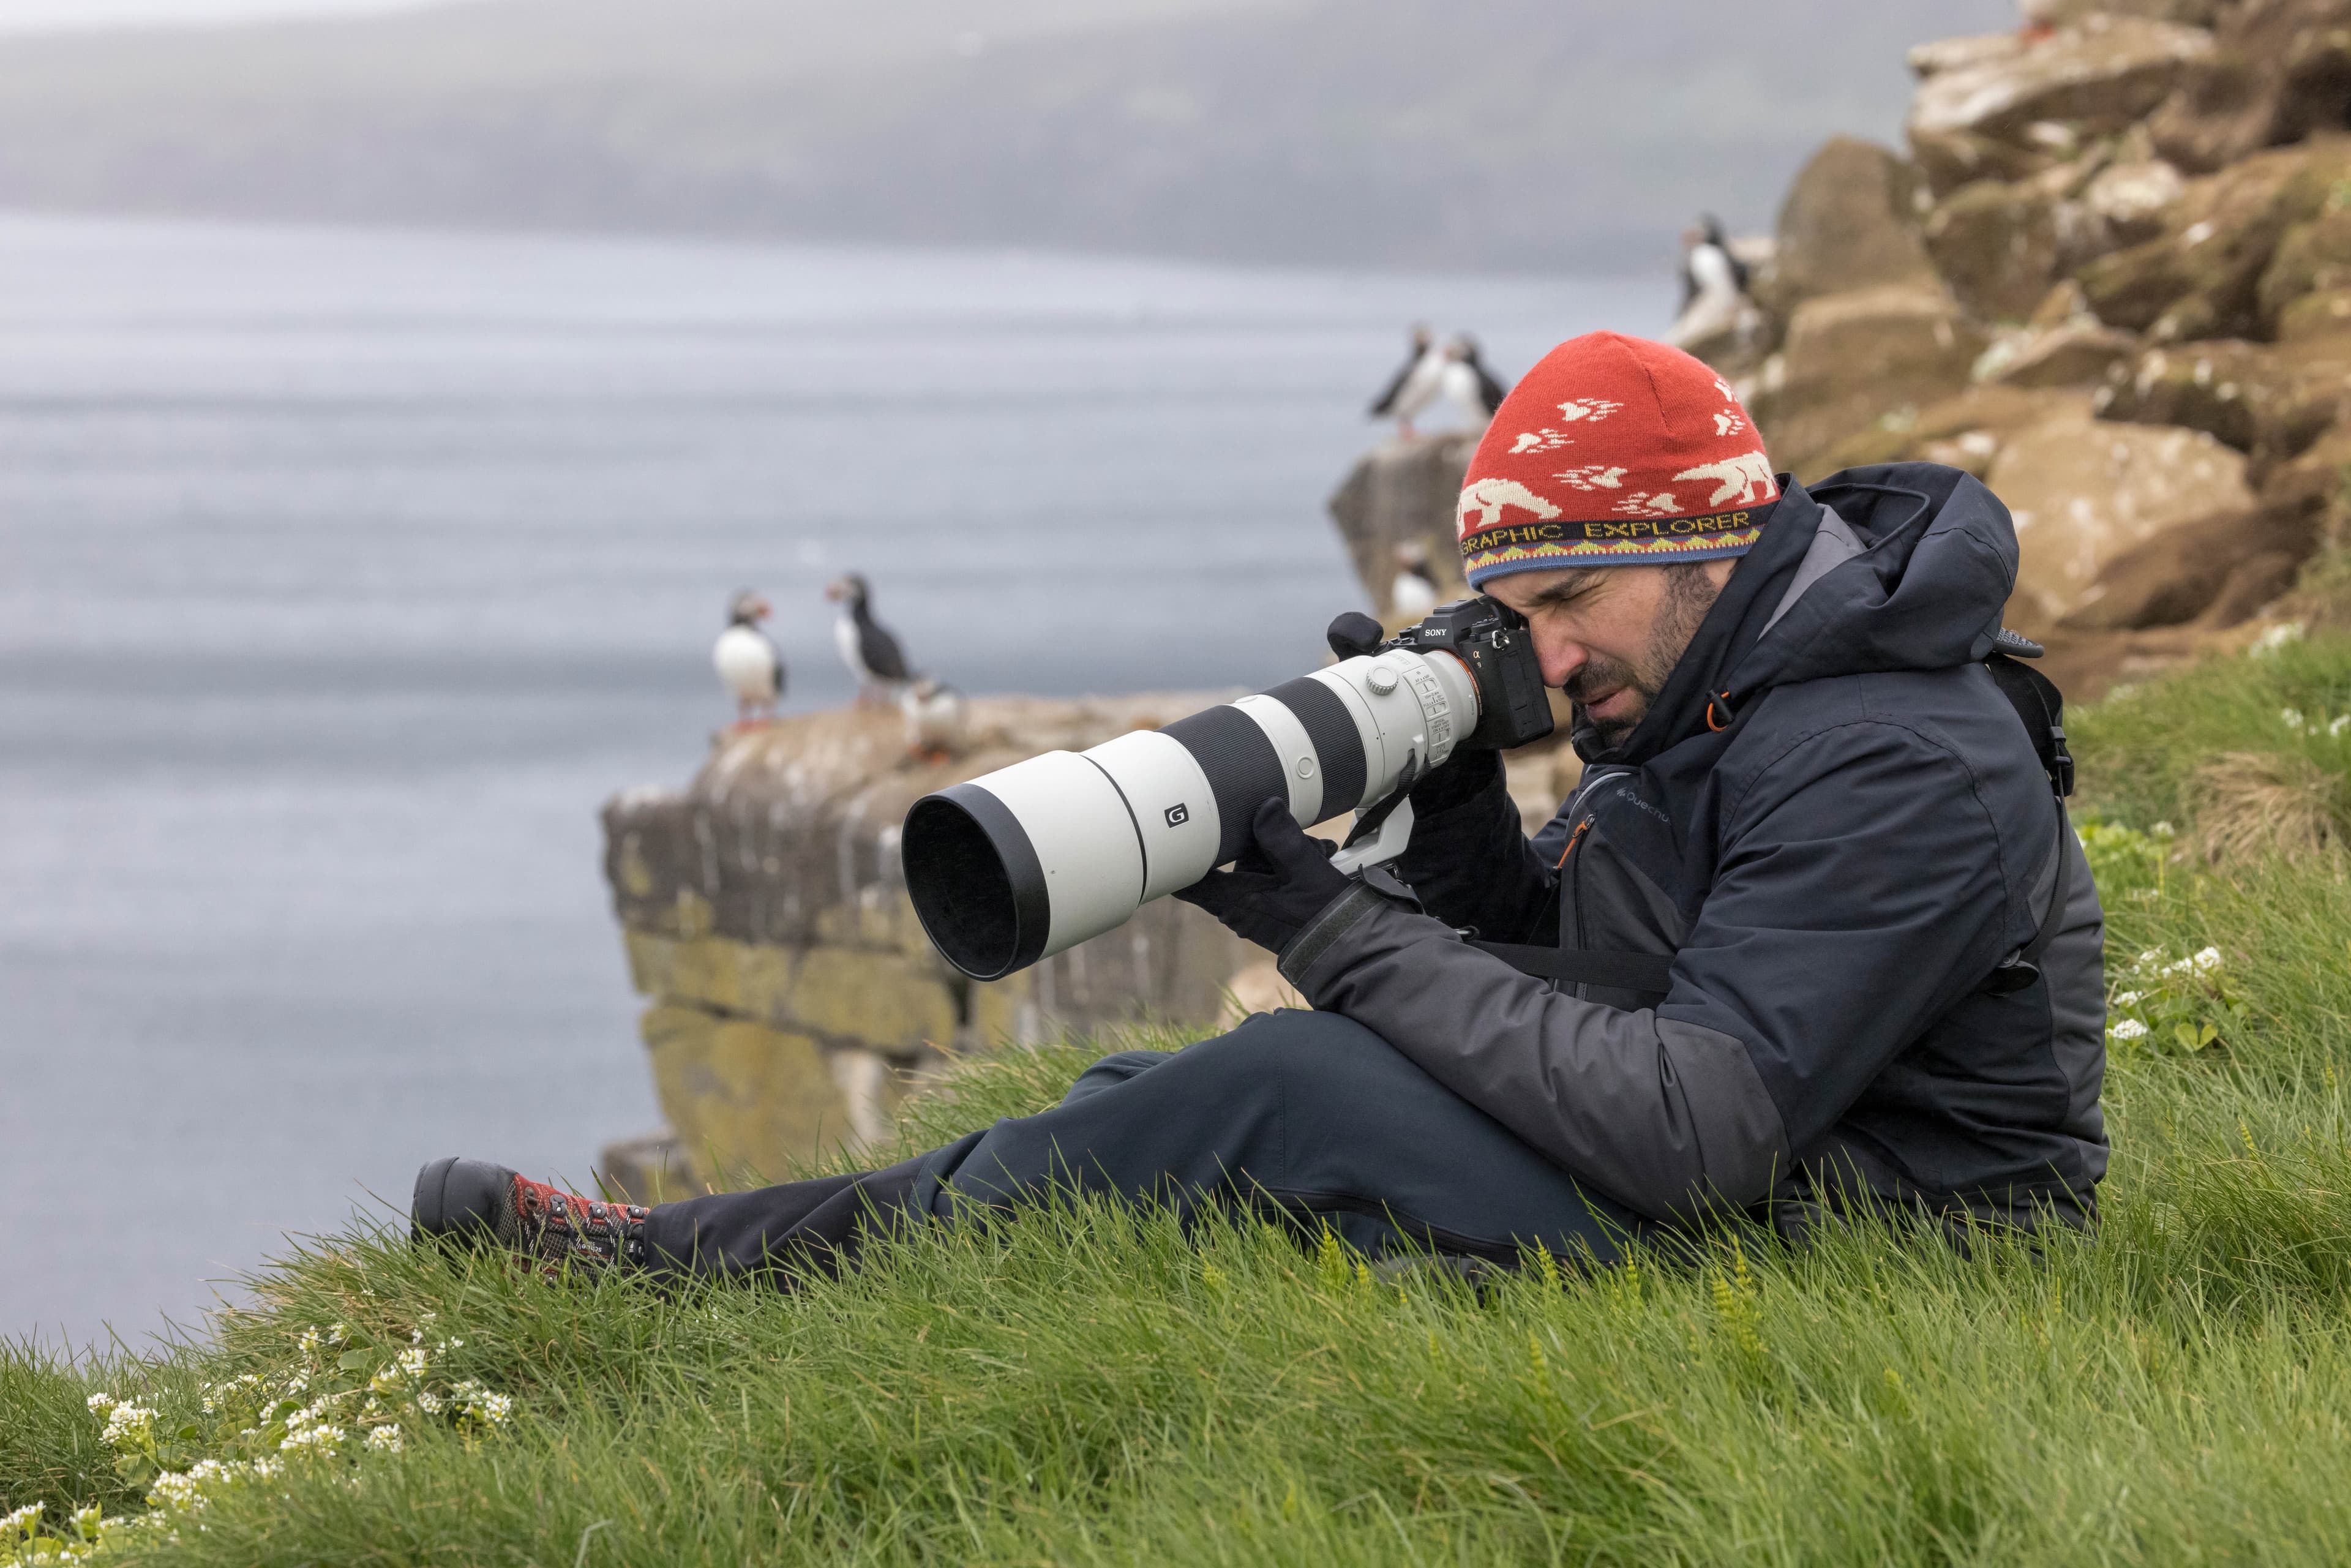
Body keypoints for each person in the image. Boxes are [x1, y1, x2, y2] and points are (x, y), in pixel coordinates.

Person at [412, 332, 2105, 1282]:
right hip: (1800, 1178)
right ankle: (748, 1256)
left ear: (1699, 545)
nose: (1548, 656)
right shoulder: (1727, 687)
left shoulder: (1894, 750)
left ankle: (674, 1276)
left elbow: (1699, 1125)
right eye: (1513, 619)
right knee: (1159, 1090)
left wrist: (1326, 924)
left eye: (1565, 601)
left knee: (1291, 1079)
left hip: (1909, 1246)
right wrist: (1451, 822)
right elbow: (1610, 977)